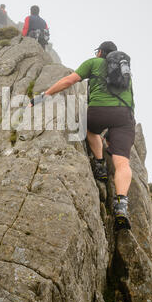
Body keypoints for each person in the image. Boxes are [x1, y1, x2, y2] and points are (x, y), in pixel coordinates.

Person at [30, 41, 135, 230]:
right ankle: (121, 205)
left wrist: (44, 95)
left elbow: (68, 81)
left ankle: (100, 164)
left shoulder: (93, 63)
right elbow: (131, 100)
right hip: (125, 117)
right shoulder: (124, 72)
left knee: (88, 128)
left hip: (99, 111)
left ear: (101, 52)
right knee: (122, 163)